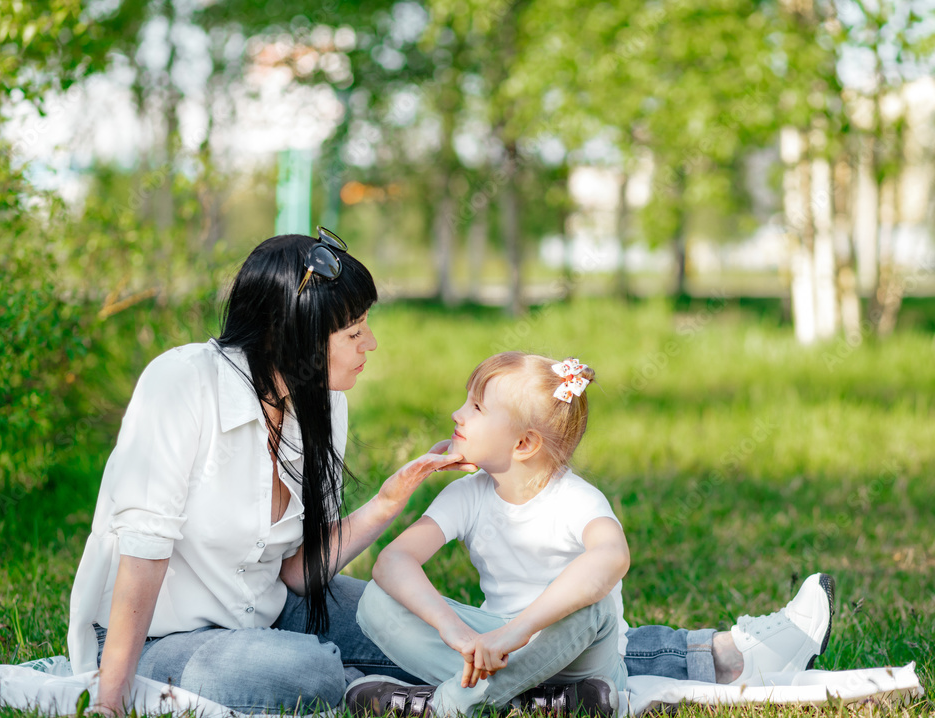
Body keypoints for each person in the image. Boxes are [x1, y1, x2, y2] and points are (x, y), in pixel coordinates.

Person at [67, 229, 834, 716]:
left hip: (275, 606)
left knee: (468, 628)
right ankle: (452, 692)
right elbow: (143, 556)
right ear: (293, 335)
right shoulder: (182, 385)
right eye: (356, 334)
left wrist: (386, 504)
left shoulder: (318, 402)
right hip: (161, 633)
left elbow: (299, 573)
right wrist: (109, 700)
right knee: (283, 670)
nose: (370, 350)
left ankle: (719, 655)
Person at [350, 352, 836, 717]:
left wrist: (514, 633)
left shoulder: (576, 499)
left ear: (523, 444)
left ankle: (451, 704)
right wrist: (454, 630)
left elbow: (611, 558)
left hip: (576, 656)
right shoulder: (466, 496)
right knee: (374, 600)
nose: (457, 413)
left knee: (594, 602)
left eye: (475, 406)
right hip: (499, 653)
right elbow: (393, 563)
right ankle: (537, 702)